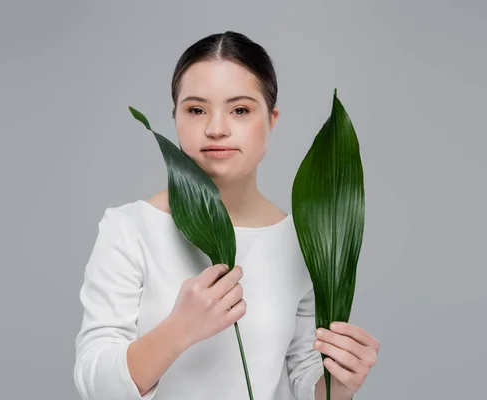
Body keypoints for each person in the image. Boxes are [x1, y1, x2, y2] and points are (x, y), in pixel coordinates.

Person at [74, 31, 379, 400]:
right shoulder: (129, 229)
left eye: (240, 110)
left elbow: (302, 380)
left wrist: (340, 383)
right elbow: (94, 385)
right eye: (196, 109)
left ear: (271, 118)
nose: (216, 129)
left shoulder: (303, 242)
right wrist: (179, 329)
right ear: (175, 118)